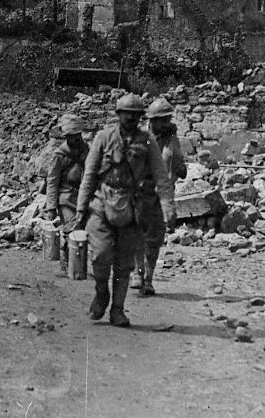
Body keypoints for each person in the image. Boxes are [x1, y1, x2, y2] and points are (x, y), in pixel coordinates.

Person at [75, 93, 176, 328]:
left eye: (135, 115)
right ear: (118, 115)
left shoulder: (147, 140)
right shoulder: (103, 138)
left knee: (124, 264)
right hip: (102, 204)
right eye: (126, 114)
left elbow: (161, 176)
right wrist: (81, 209)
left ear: (141, 117)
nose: (130, 118)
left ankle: (117, 310)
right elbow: (89, 175)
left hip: (133, 206)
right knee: (100, 255)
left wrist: (167, 207)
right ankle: (102, 293)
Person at [131, 97, 187, 296]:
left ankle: (148, 279)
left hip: (161, 195)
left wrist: (179, 164)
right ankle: (138, 273)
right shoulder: (142, 137)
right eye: (162, 120)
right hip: (141, 192)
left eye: (168, 119)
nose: (166, 123)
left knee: (155, 238)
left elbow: (178, 166)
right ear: (152, 120)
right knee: (138, 234)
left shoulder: (172, 140)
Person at [44, 114, 88, 270]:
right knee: (71, 228)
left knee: (82, 230)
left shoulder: (87, 150)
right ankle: (68, 262)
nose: (75, 139)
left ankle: (74, 263)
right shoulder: (59, 155)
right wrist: (51, 207)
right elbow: (52, 180)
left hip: (84, 197)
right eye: (71, 136)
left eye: (77, 135)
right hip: (66, 197)